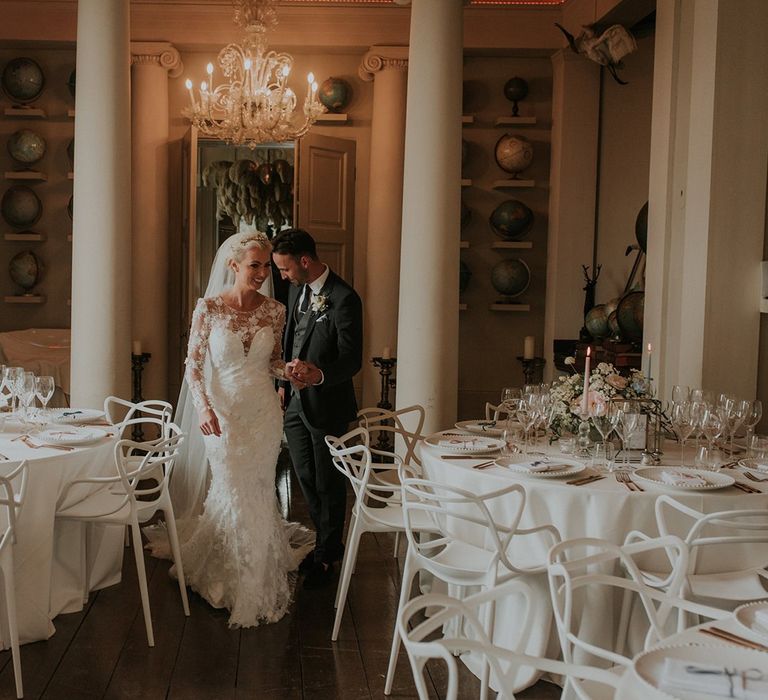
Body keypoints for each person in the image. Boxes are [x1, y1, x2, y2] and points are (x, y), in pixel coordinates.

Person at [178, 230, 312, 627]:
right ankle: (224, 573)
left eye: (266, 265)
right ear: (233, 265)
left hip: (263, 414)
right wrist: (202, 408)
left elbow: (272, 361)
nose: (261, 273)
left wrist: (286, 371)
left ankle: (254, 577)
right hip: (223, 414)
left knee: (256, 488)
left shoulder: (274, 310)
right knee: (231, 487)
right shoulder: (209, 309)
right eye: (254, 265)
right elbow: (193, 366)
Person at [271, 228, 363, 589]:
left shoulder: (344, 298)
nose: (283, 277)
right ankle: (324, 540)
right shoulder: (298, 290)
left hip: (328, 404)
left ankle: (328, 549)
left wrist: (320, 375)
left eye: (285, 269)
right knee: (304, 476)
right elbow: (291, 337)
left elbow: (351, 359)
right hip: (294, 403)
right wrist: (283, 384)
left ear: (304, 261)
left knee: (329, 480)